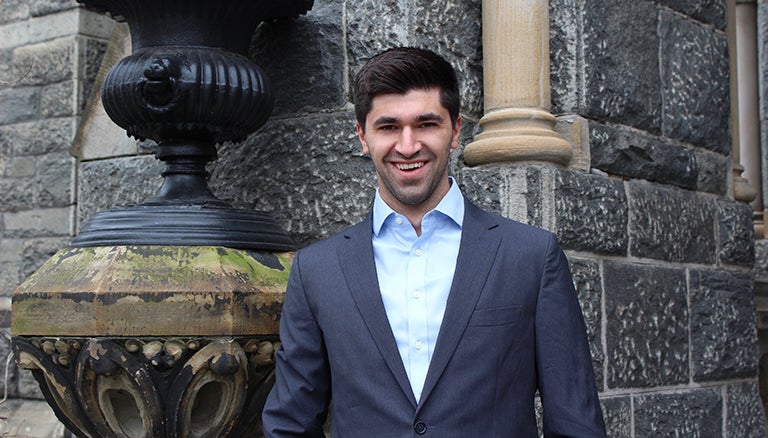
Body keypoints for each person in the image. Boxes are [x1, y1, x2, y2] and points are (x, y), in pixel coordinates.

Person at [262, 47, 606, 437]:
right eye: (388, 127)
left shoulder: (530, 256)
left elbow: (576, 422)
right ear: (362, 136)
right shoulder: (316, 271)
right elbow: (290, 423)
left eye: (426, 124)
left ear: (456, 130)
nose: (408, 146)